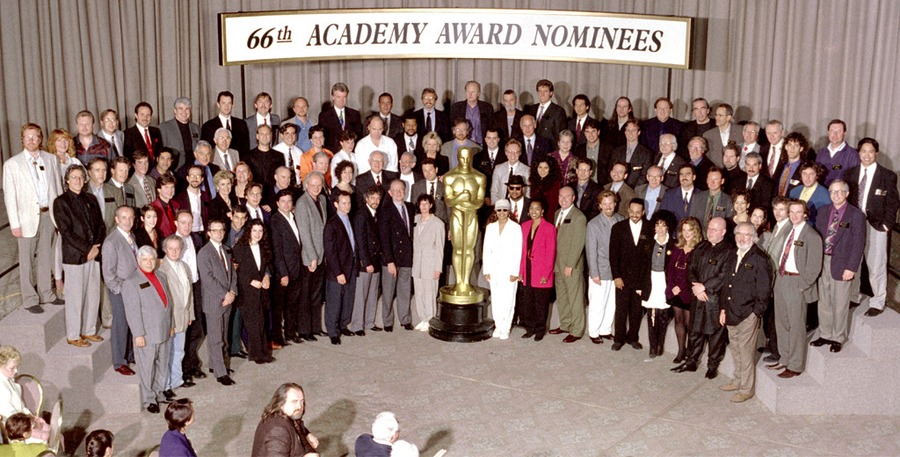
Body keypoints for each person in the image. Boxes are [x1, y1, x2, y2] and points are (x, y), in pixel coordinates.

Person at [4, 124, 64, 313]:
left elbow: (58, 189)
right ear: (22, 139)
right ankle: (30, 298)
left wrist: (60, 217)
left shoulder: (51, 159)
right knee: (27, 259)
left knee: (46, 255)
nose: (31, 140)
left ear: (40, 139)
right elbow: (10, 196)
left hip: (48, 214)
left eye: (35, 137)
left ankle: (46, 293)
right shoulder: (12, 164)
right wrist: (15, 223)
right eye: (27, 137)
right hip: (26, 219)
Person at [769, 199, 825, 379]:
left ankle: (795, 364)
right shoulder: (787, 231)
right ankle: (784, 358)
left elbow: (814, 267)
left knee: (796, 326)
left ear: (805, 214)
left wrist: (802, 286)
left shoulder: (812, 236)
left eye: (798, 212)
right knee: (782, 323)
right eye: (791, 212)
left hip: (797, 283)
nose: (794, 215)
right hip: (781, 280)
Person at [719, 222, 773, 402]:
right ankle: (738, 379)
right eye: (739, 234)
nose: (742, 238)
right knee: (735, 349)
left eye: (747, 235)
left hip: (748, 314)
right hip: (731, 311)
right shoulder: (732, 255)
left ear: (754, 237)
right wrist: (723, 309)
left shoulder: (760, 259)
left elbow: (764, 291)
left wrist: (755, 313)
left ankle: (746, 389)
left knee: (746, 352)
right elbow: (726, 284)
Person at [845, 137, 900, 317]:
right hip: (854, 224)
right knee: (853, 260)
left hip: (875, 225)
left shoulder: (887, 175)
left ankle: (878, 301)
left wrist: (886, 225)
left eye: (870, 151)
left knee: (876, 264)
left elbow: (893, 203)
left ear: (876, 153)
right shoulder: (850, 173)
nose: (866, 155)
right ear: (858, 153)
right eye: (863, 151)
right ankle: (853, 296)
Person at [672, 217, 732, 379]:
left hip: (714, 300)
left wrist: (704, 287)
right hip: (698, 297)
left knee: (715, 336)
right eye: (709, 228)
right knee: (694, 331)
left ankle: (712, 366)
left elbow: (724, 275)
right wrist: (696, 286)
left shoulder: (729, 250)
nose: (710, 232)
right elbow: (690, 268)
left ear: (724, 232)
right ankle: (691, 361)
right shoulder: (701, 246)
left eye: (715, 230)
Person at [54, 164, 106, 347]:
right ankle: (73, 334)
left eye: (80, 177)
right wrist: (87, 249)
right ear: (67, 180)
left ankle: (89, 330)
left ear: (85, 180)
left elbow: (101, 225)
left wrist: (96, 247)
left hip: (94, 254)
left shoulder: (91, 198)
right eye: (73, 177)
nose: (77, 180)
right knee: (75, 298)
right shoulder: (61, 202)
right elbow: (66, 232)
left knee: (93, 295)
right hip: (75, 257)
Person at [813, 180, 866, 353]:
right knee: (824, 301)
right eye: (832, 192)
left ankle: (838, 337)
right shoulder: (822, 211)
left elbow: (859, 244)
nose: (835, 195)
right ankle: (825, 333)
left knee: (840, 302)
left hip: (842, 264)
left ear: (847, 193)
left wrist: (851, 268)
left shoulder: (855, 215)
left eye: (839, 192)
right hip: (823, 262)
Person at [122, 245, 174, 413]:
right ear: (138, 260)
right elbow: (132, 311)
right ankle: (148, 399)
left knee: (162, 365)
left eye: (152, 259)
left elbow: (168, 303)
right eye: (145, 259)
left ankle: (159, 393)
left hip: (164, 330)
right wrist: (138, 334)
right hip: (146, 333)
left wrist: (171, 324)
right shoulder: (131, 282)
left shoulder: (161, 276)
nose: (149, 262)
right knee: (146, 368)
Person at [609, 198, 654, 351]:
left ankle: (633, 338)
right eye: (632, 211)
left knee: (636, 311)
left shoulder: (650, 228)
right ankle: (618, 339)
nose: (635, 215)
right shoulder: (618, 228)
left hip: (640, 278)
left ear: (643, 212)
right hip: (622, 277)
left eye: (638, 212)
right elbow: (613, 255)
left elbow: (649, 257)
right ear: (628, 211)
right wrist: (616, 276)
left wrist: (645, 281)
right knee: (621, 310)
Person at [197, 219, 238, 386]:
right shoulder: (204, 253)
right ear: (208, 233)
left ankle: (216, 364)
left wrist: (233, 292)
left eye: (221, 230)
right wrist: (225, 294)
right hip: (215, 301)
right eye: (215, 230)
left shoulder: (226, 249)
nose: (219, 233)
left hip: (228, 299)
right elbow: (208, 279)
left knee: (224, 335)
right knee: (215, 338)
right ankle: (221, 373)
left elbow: (233, 274)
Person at [101, 206, 139, 376]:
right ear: (116, 219)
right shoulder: (111, 242)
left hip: (133, 288)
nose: (128, 221)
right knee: (121, 324)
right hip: (120, 290)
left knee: (132, 322)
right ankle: (119, 361)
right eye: (124, 217)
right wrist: (118, 291)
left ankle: (130, 354)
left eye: (130, 217)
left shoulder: (130, 236)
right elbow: (108, 274)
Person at [548, 186, 587, 343]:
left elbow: (578, 243)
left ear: (573, 198)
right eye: (561, 196)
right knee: (562, 297)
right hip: (557, 264)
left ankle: (577, 330)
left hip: (571, 265)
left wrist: (570, 265)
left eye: (567, 196)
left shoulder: (578, 217)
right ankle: (565, 324)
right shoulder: (558, 214)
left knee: (575, 298)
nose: (563, 199)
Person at [585, 191, 624, 344]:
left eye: (611, 203)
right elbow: (591, 250)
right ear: (600, 206)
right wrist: (594, 273)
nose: (608, 206)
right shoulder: (593, 224)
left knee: (611, 303)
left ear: (615, 203)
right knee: (597, 303)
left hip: (616, 271)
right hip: (600, 269)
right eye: (605, 204)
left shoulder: (621, 219)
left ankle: (605, 329)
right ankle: (594, 332)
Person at [233, 220, 275, 363]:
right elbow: (237, 272)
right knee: (252, 325)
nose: (257, 234)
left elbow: (267, 266)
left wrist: (266, 276)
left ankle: (264, 352)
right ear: (249, 231)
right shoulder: (240, 248)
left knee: (262, 323)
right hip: (247, 292)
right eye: (254, 231)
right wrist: (250, 281)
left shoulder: (263, 247)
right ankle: (256, 354)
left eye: (260, 231)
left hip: (261, 291)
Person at [157, 235, 194, 394]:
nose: (174, 251)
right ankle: (164, 386)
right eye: (170, 248)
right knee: (167, 354)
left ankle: (176, 380)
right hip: (170, 319)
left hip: (183, 317)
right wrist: (168, 321)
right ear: (165, 249)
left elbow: (189, 293)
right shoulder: (161, 269)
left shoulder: (184, 266)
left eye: (177, 248)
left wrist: (190, 314)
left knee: (179, 351)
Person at [379, 180, 416, 331]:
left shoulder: (410, 207)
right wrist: (389, 261)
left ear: (405, 190)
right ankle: (387, 321)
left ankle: (405, 319)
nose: (399, 192)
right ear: (390, 193)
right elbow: (384, 238)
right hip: (391, 258)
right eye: (395, 190)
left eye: (401, 189)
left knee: (404, 290)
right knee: (388, 292)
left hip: (406, 256)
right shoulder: (385, 210)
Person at [296, 172, 329, 340]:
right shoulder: (302, 203)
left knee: (317, 294)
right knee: (306, 295)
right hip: (309, 257)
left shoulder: (322, 200)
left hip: (321, 254)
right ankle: (304, 330)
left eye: (319, 185)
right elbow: (304, 233)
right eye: (313, 185)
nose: (316, 188)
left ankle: (315, 327)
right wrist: (312, 257)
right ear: (306, 184)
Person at [483, 200, 522, 340]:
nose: (501, 213)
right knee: (496, 298)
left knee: (508, 299)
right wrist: (486, 269)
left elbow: (518, 251)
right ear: (495, 211)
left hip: (509, 269)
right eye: (499, 210)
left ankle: (505, 327)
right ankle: (498, 326)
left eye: (504, 210)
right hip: (494, 268)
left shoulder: (516, 228)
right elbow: (486, 249)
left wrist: (515, 272)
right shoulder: (490, 227)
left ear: (509, 211)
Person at [519, 199, 557, 341]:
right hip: (527, 269)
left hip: (541, 271)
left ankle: (540, 330)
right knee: (528, 301)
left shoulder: (549, 228)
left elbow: (551, 253)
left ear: (542, 211)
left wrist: (546, 274)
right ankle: (530, 328)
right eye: (531, 209)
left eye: (537, 209)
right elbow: (522, 251)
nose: (534, 211)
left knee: (540, 303)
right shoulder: (524, 226)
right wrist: (521, 271)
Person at [323, 192, 358, 344]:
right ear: (336, 204)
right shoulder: (332, 224)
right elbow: (330, 252)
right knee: (334, 301)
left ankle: (343, 325)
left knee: (348, 299)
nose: (347, 206)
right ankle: (332, 331)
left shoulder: (350, 219)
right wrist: (338, 272)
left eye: (349, 203)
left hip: (350, 266)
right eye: (344, 203)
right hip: (337, 270)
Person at [641, 211, 677, 358]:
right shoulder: (648, 242)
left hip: (664, 280)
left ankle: (660, 343)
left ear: (668, 227)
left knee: (663, 314)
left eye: (663, 225)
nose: (660, 228)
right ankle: (652, 345)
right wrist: (640, 286)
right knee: (651, 314)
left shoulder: (673, 244)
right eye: (657, 225)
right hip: (650, 280)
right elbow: (641, 266)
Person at [270, 189, 304, 346]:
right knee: (279, 307)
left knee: (292, 304)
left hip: (296, 268)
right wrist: (283, 273)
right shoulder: (275, 221)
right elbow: (277, 250)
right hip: (283, 272)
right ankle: (277, 337)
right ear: (277, 203)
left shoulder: (294, 217)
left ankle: (291, 332)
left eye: (289, 201)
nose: (286, 204)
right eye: (283, 201)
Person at [668, 217, 702, 363]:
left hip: (688, 292)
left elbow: (695, 273)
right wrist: (671, 286)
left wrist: (680, 287)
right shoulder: (677, 246)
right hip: (675, 291)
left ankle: (690, 351)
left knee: (690, 323)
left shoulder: (699, 249)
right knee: (678, 321)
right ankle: (681, 349)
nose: (687, 233)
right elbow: (670, 269)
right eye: (684, 229)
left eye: (690, 230)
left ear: (696, 231)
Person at [252, 383, 319, 457]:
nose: (300, 406)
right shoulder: (278, 431)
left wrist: (306, 434)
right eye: (294, 402)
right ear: (281, 404)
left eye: (301, 401)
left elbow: (296, 424)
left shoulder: (285, 414)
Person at [411, 194, 445, 332]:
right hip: (417, 263)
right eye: (421, 204)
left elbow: (439, 247)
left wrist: (438, 268)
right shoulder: (415, 220)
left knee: (429, 292)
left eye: (426, 204)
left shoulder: (438, 223)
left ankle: (430, 318)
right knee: (419, 292)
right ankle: (422, 317)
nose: (423, 207)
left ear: (431, 205)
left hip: (430, 263)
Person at [0, 347, 50, 442]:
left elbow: (21, 406)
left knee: (50, 430)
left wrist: (33, 417)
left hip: (22, 422)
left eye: (17, 367)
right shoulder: (1, 387)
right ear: (1, 366)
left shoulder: (9, 380)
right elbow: (11, 416)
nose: (16, 371)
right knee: (45, 438)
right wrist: (31, 424)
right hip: (14, 431)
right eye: (12, 368)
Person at [200, 90, 250, 156]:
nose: (226, 106)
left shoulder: (241, 124)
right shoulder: (208, 126)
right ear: (218, 104)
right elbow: (206, 150)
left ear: (232, 105)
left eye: (229, 103)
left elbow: (245, 149)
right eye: (223, 103)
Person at [318, 82, 363, 152]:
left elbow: (359, 136)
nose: (342, 100)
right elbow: (324, 138)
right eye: (338, 97)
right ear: (333, 97)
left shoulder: (354, 114)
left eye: (344, 97)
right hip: (332, 154)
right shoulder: (324, 116)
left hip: (351, 154)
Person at [610, 120, 654, 189]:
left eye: (634, 130)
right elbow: (611, 171)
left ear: (639, 132)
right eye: (628, 130)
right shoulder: (616, 151)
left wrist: (631, 190)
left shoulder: (646, 153)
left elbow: (644, 176)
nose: (630, 133)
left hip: (636, 191)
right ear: (625, 132)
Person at [159, 97, 201, 169]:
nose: (184, 112)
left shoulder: (196, 128)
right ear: (175, 110)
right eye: (180, 108)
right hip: (174, 169)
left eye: (187, 109)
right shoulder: (164, 127)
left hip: (193, 169)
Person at [816, 119, 859, 186]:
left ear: (844, 133)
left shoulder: (853, 155)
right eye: (832, 131)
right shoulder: (821, 153)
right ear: (828, 133)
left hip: (840, 194)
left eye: (839, 131)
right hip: (822, 193)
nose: (835, 134)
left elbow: (854, 180)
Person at [489, 139, 530, 205]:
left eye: (516, 152)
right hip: (500, 206)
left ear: (520, 153)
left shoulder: (527, 170)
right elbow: (494, 191)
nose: (513, 155)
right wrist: (498, 207)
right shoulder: (498, 168)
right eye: (510, 152)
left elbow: (527, 193)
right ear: (506, 152)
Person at [529, 79, 567, 143]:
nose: (542, 94)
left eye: (545, 91)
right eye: (540, 91)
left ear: (551, 93)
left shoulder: (558, 111)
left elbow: (560, 135)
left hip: (550, 150)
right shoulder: (532, 109)